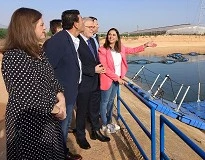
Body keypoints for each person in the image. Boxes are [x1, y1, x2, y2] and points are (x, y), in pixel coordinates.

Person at [1, 7, 66, 159]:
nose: (45, 29)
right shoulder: (14, 57)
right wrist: (58, 110)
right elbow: (28, 96)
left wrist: (61, 96)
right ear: (28, 28)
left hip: (47, 118)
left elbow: (52, 78)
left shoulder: (38, 52)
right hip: (29, 124)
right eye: (41, 25)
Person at [43, 9, 84, 160]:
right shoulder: (58, 41)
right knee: (61, 127)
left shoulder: (72, 39)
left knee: (64, 127)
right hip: (62, 95)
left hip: (70, 91)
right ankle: (60, 155)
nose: (83, 22)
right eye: (81, 20)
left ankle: (61, 152)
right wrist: (57, 95)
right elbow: (46, 70)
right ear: (75, 24)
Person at [98, 28, 157, 133]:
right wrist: (118, 78)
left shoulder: (120, 48)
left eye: (114, 35)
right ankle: (104, 124)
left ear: (117, 38)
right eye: (109, 35)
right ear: (107, 37)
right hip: (107, 79)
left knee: (111, 101)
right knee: (104, 102)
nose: (111, 37)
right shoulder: (102, 50)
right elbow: (105, 68)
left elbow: (133, 50)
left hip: (116, 80)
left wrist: (145, 45)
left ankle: (109, 122)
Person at [75, 17, 110, 150]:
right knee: (82, 111)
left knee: (94, 110)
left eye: (93, 27)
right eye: (90, 27)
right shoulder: (76, 42)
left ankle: (96, 131)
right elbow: (74, 64)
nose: (93, 29)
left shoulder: (94, 39)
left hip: (96, 81)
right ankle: (81, 136)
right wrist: (92, 69)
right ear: (82, 26)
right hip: (83, 83)